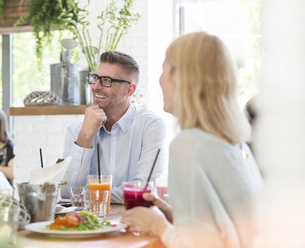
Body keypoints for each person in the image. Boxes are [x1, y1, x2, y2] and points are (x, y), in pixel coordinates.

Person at [121, 32, 263, 247]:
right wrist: (174, 216)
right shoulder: (236, 143)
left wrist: (158, 225)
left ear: (180, 77)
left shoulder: (189, 145)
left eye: (163, 69)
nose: (160, 80)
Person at [62, 51, 166, 203]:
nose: (96, 86)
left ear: (130, 90)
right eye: (95, 78)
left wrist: (85, 195)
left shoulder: (150, 126)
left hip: (135, 220)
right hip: (88, 223)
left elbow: (144, 189)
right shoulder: (76, 129)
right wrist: (85, 137)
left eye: (106, 80)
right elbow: (66, 192)